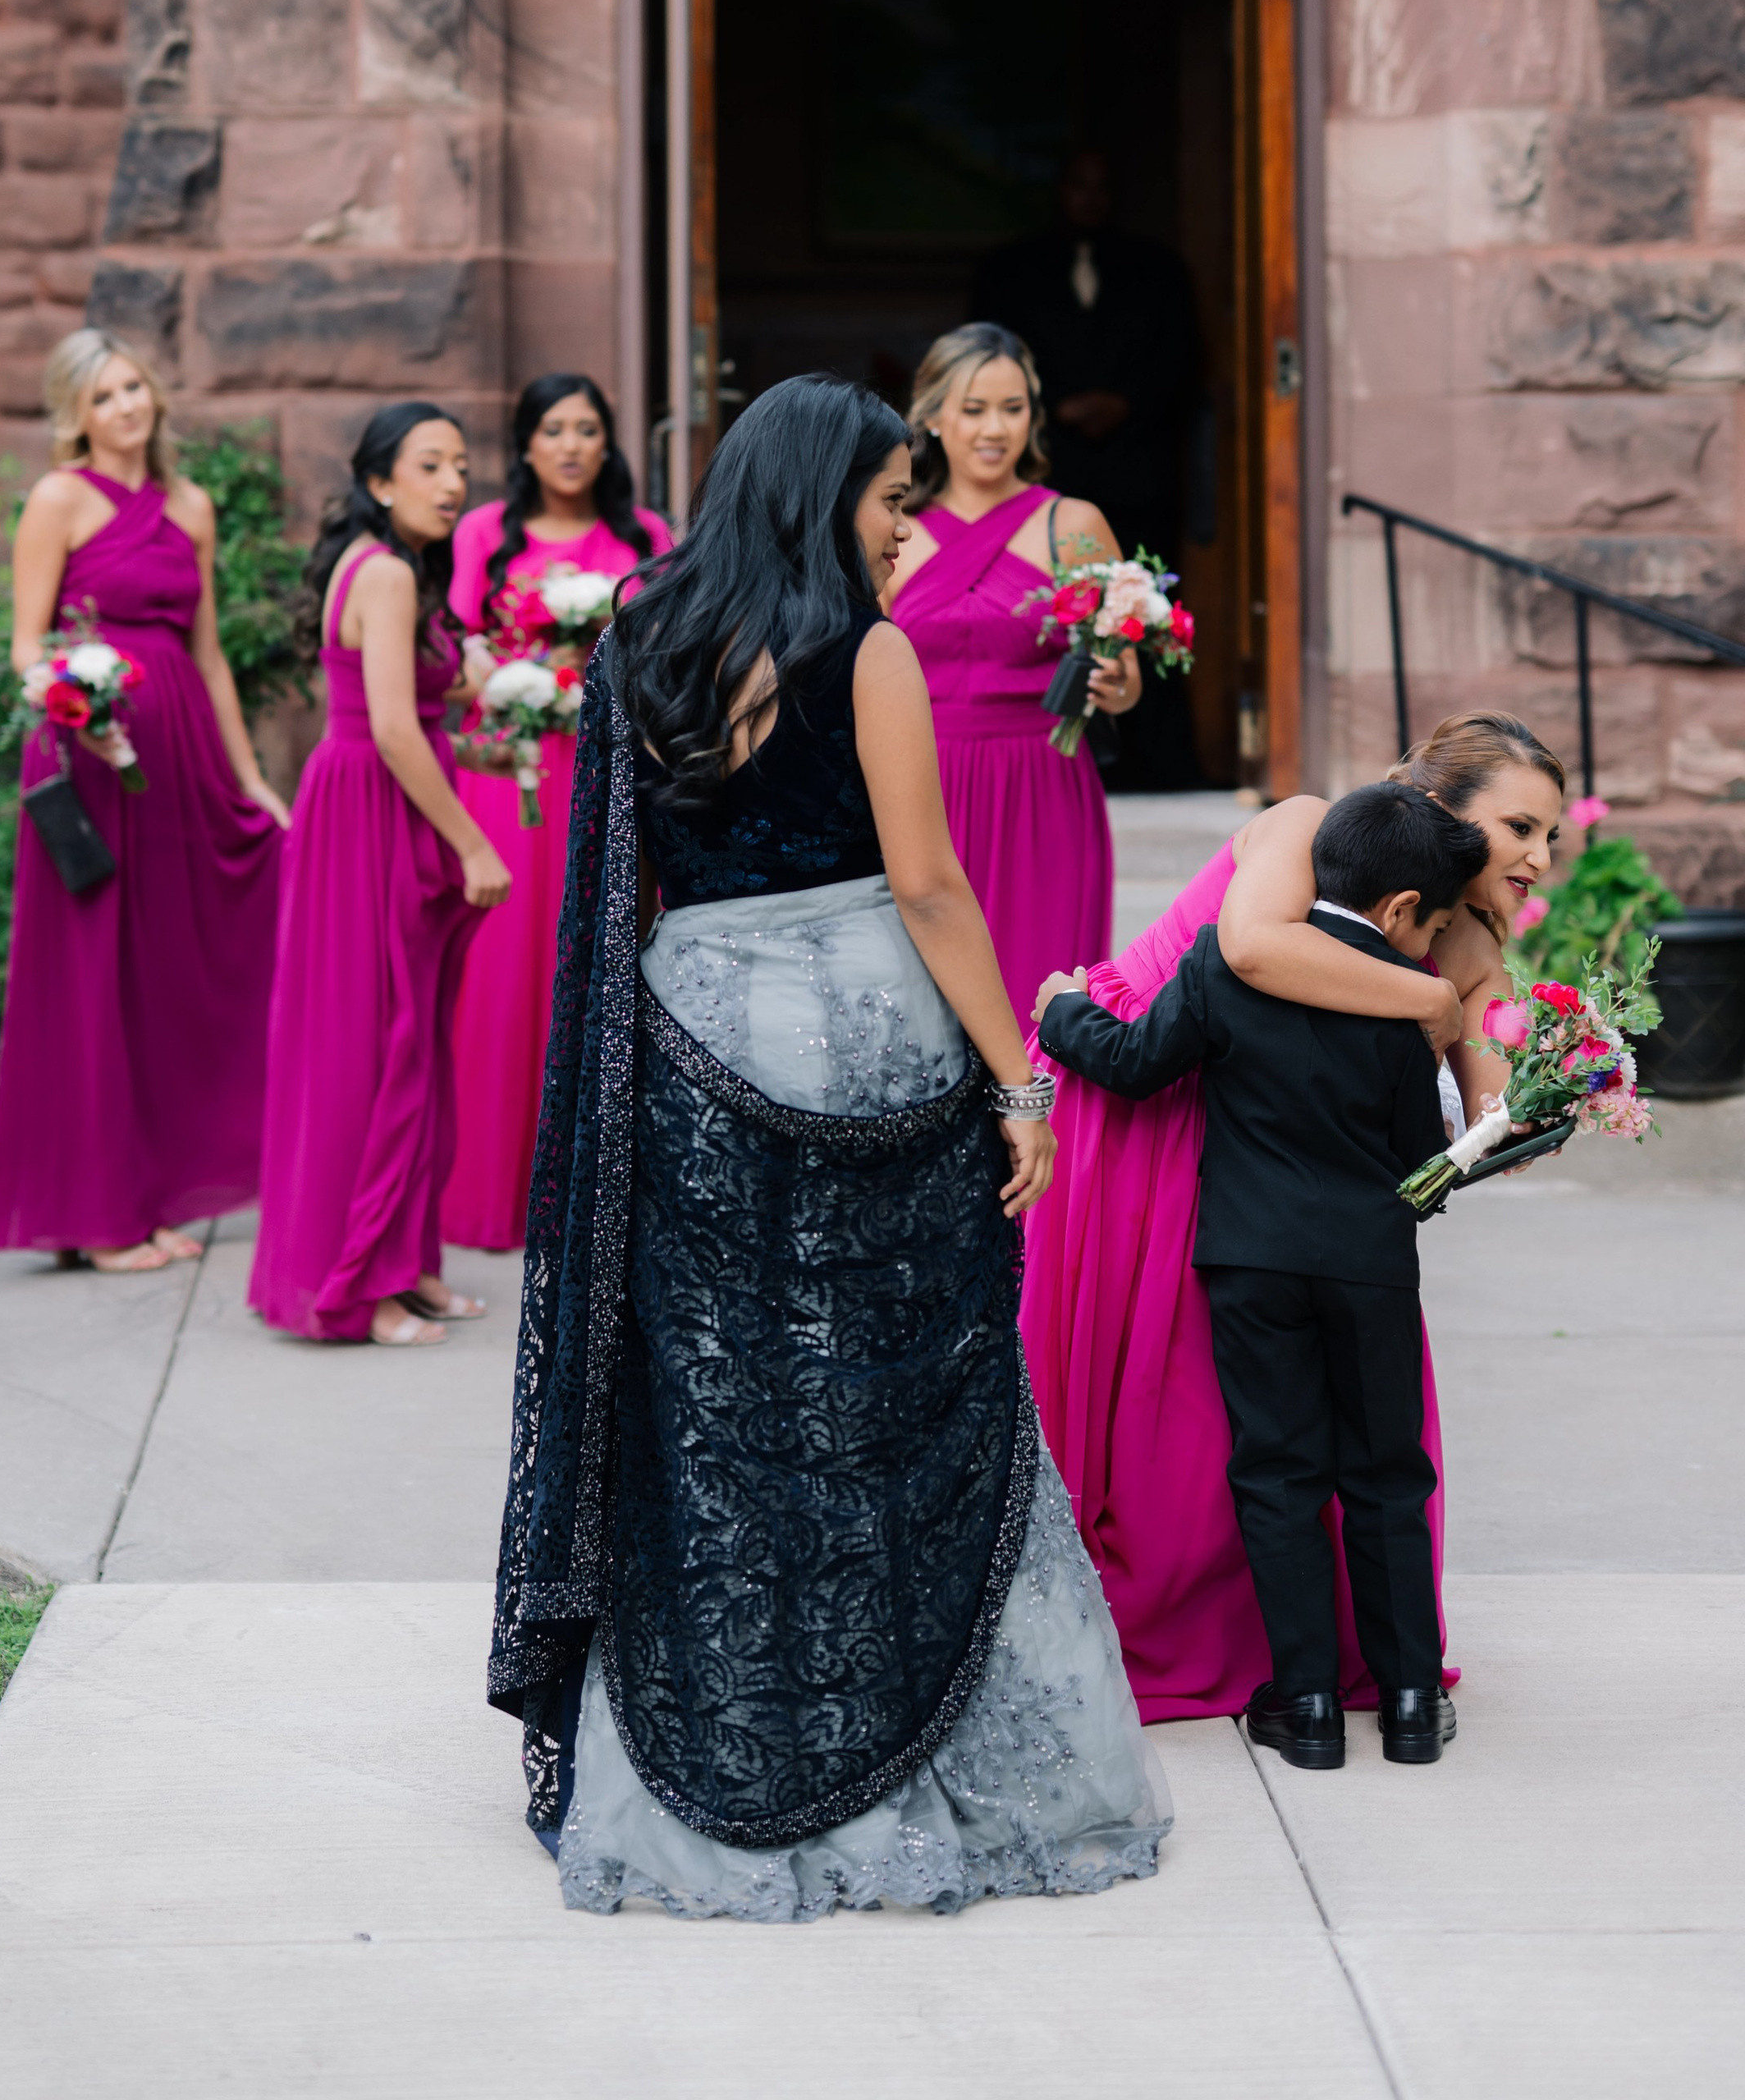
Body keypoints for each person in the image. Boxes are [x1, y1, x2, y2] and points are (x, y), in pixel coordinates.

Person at [491, 375, 1167, 1919]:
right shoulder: (865, 650)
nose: (905, 523)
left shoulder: (639, 639)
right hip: (871, 1035)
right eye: (888, 495)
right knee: (906, 1400)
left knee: (722, 1411)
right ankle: (931, 1753)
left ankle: (718, 1761)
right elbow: (929, 885)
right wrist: (1022, 1081)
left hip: (693, 1039)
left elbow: (615, 889)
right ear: (822, 492)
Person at [1024, 709, 1566, 1720]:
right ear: (1439, 805)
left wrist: (1557, 1088)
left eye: (1550, 838)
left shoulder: (1469, 956)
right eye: (1521, 827)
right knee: (1164, 1407)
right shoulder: (1307, 826)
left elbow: (1482, 1130)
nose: (1539, 858)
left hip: (1265, 1180)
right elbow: (1250, 943)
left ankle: (1288, 1659)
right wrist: (1423, 1003)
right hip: (1143, 1096)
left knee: (1258, 1429)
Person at [0, 330, 287, 1272]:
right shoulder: (58, 498)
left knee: (164, 969)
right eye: (106, 394)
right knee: (91, 969)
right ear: (75, 412)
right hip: (87, 750)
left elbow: (207, 654)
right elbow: (25, 644)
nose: (127, 406)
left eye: (136, 388)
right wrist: (82, 700)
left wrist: (248, 779)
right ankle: (96, 1212)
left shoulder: (189, 506)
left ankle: (154, 1192)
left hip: (181, 753)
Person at [251, 404, 511, 1346]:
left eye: (461, 464)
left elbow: (427, 704)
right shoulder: (391, 572)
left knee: (408, 1040)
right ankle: (359, 1282)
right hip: (377, 813)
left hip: (370, 806)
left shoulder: (388, 570)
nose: (454, 483)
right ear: (377, 481)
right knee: (381, 1044)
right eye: (431, 464)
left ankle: (410, 1259)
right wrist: (474, 845)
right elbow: (397, 729)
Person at [442, 374, 670, 1252]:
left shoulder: (643, 536)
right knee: (503, 980)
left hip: (613, 772)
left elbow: (671, 645)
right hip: (515, 773)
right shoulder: (480, 535)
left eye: (587, 429)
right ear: (525, 444)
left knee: (601, 968)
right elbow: (459, 648)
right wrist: (516, 683)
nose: (571, 445)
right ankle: (490, 1195)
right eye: (553, 429)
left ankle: (597, 1199)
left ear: (607, 443)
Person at [886, 323, 1136, 1017]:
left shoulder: (1073, 524)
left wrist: (1115, 685)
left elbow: (1124, 673)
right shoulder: (892, 528)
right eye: (973, 410)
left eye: (1013, 407)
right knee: (922, 1003)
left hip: (1043, 786)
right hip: (919, 784)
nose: (995, 428)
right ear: (932, 416)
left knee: (1040, 997)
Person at [973, 150, 1202, 787]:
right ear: (1058, 190)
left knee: (1145, 610)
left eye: (1103, 187)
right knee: (1046, 615)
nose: (1090, 199)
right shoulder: (1010, 269)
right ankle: (1065, 755)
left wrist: (1124, 403)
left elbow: (1182, 357)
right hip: (1051, 464)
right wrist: (1053, 408)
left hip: (1138, 468)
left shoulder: (1158, 268)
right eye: (1079, 184)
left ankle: (1160, 765)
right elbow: (989, 354)